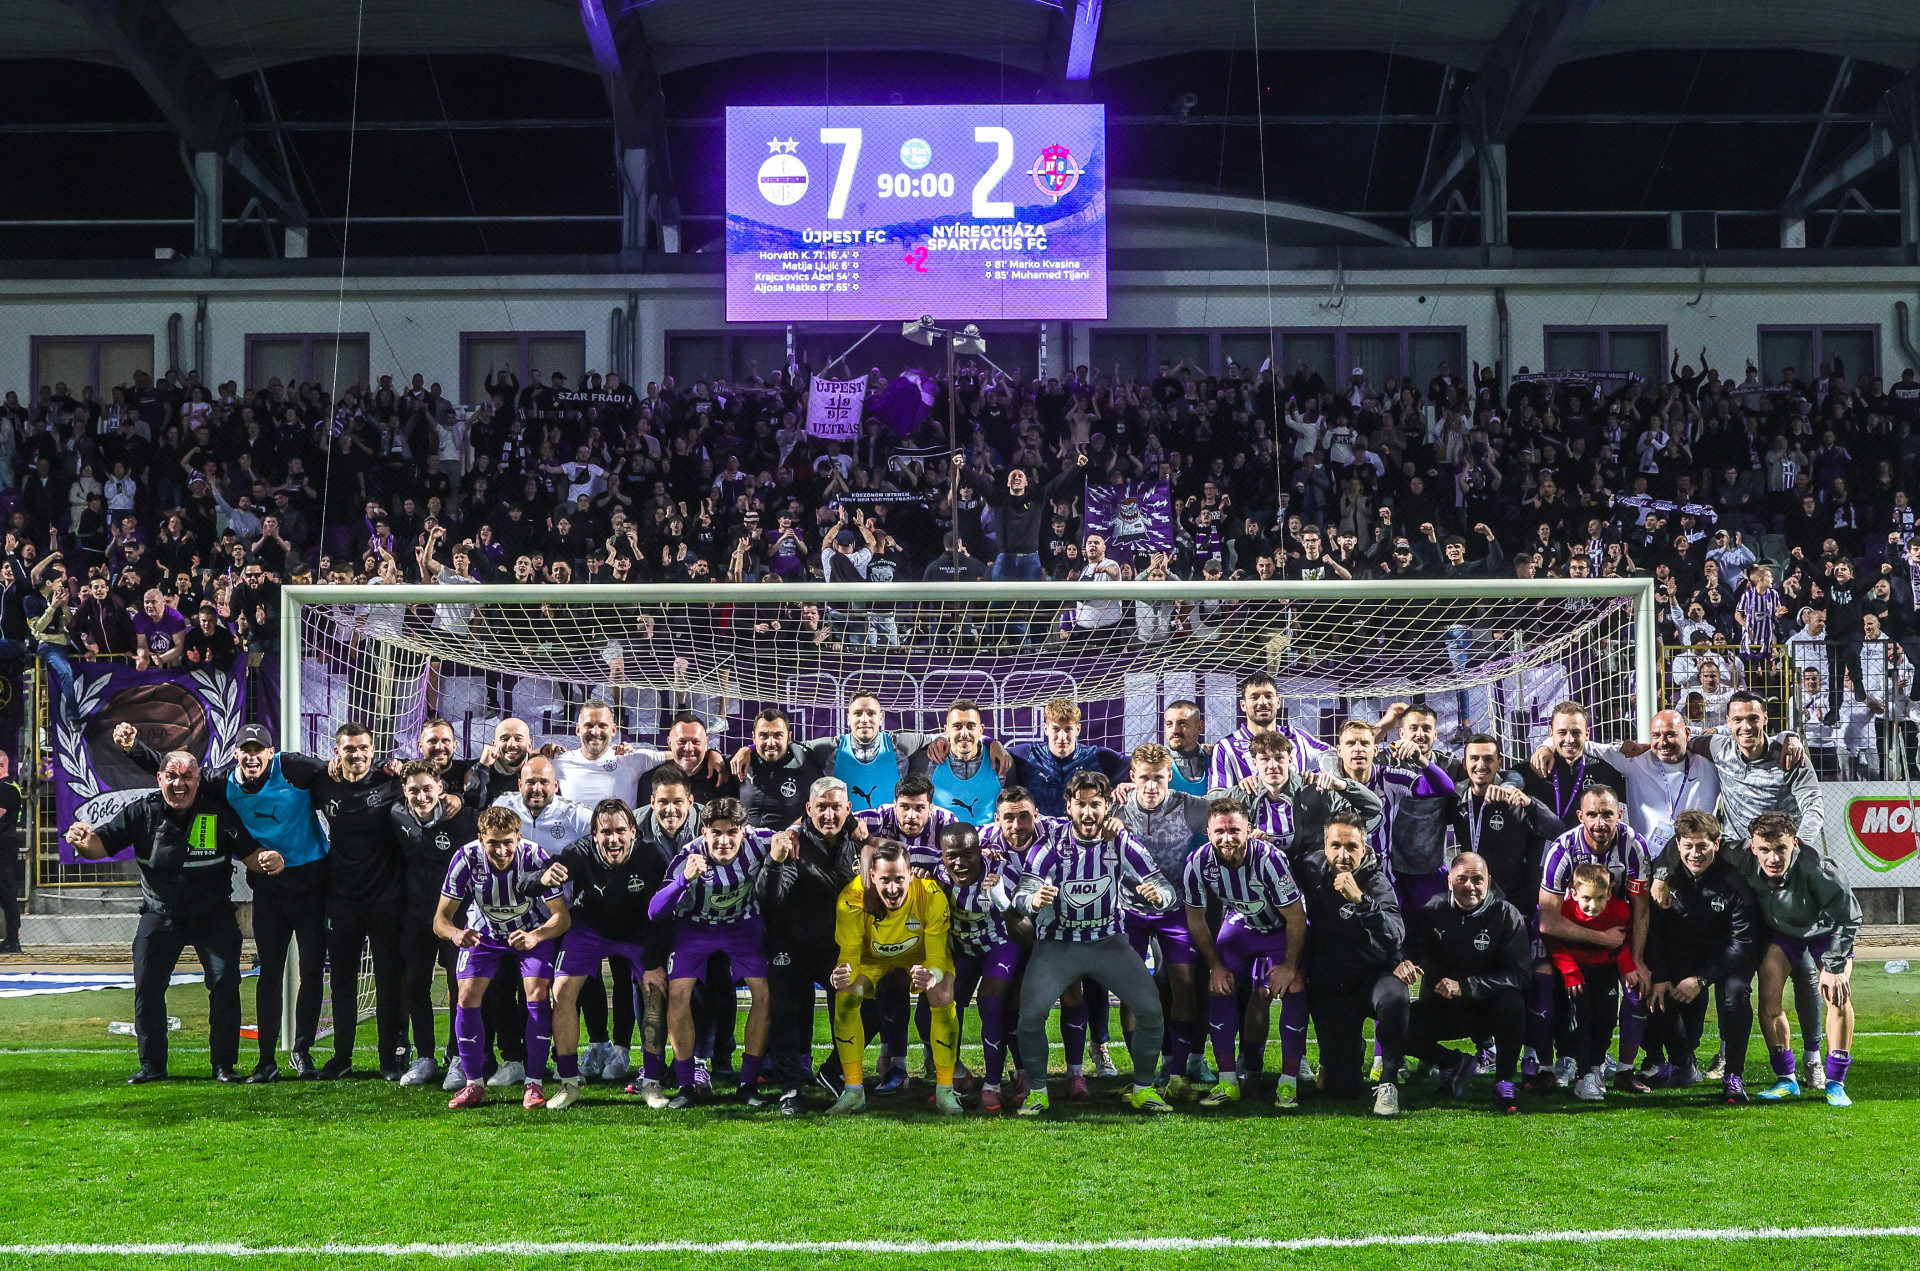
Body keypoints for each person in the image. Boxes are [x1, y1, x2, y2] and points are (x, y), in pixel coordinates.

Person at [113, 721, 332, 1083]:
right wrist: (134, 747)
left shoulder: (293, 767)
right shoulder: (222, 780)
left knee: (311, 971)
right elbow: (175, 772)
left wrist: (383, 769)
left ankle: (302, 1052)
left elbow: (336, 771)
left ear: (271, 752)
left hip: (312, 885)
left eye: (258, 750)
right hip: (268, 890)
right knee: (270, 972)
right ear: (235, 753)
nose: (252, 757)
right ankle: (266, 1062)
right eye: (245, 750)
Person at [64, 750, 283, 1083]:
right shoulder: (141, 812)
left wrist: (270, 860)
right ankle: (153, 1066)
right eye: (172, 776)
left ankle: (224, 1067)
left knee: (225, 986)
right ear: (159, 778)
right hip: (160, 915)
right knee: (148, 987)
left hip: (214, 917)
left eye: (187, 777)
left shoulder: (218, 812)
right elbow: (99, 847)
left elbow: (252, 855)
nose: (179, 784)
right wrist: (82, 842)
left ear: (198, 780)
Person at [1011, 771, 1179, 1116]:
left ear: (1107, 807)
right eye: (1081, 804)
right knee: (1031, 1015)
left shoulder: (1120, 841)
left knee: (1150, 1010)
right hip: (1057, 944)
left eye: (1096, 805)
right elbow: (1022, 893)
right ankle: (1038, 1091)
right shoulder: (1052, 843)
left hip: (1108, 942)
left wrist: (1160, 896)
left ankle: (1142, 1089)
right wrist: (1034, 900)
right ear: (1069, 807)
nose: (1088, 813)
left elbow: (1163, 884)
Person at [648, 797, 788, 1108]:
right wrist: (683, 879)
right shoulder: (689, 855)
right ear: (704, 832)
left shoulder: (760, 842)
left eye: (732, 832)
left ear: (744, 831)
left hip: (743, 925)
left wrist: (790, 840)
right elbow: (654, 910)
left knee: (764, 995)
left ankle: (748, 1084)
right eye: (716, 833)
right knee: (678, 995)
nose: (724, 841)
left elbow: (792, 834)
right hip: (694, 927)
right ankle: (686, 1085)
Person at [538, 798, 671, 1111]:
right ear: (594, 835)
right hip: (590, 929)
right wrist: (541, 878)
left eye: (620, 831)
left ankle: (652, 1081)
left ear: (633, 831)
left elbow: (663, 913)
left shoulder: (652, 855)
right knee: (561, 991)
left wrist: (653, 963)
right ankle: (568, 1083)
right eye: (606, 832)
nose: (613, 839)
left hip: (638, 931)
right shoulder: (577, 853)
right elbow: (534, 880)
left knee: (654, 991)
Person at [436, 805, 571, 1110]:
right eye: (493, 843)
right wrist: (456, 934)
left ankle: (533, 1083)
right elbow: (440, 920)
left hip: (531, 932)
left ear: (518, 838)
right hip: (484, 934)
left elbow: (561, 918)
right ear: (480, 839)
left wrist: (535, 937)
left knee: (537, 993)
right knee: (466, 995)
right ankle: (474, 1084)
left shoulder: (535, 857)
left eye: (507, 842)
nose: (500, 851)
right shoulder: (465, 858)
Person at [1181, 798, 1309, 1109]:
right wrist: (1215, 966)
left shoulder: (1269, 860)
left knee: (1293, 987)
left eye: (1234, 830)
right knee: (1220, 986)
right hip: (1243, 924)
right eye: (1219, 831)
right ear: (1208, 833)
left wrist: (1289, 966)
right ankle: (1228, 1081)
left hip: (1282, 928)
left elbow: (1295, 917)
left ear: (1248, 830)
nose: (1227, 838)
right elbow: (1195, 918)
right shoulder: (1197, 863)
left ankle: (1288, 1083)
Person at [1731, 811, 1862, 1107]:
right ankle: (1786, 1078)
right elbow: (1695, 839)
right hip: (1782, 933)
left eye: (1781, 848)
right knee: (1769, 999)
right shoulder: (1739, 855)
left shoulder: (1819, 869)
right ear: (1753, 847)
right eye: (1765, 849)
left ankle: (1836, 1082)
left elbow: (1849, 918)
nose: (1773, 858)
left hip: (1827, 930)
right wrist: (1661, 876)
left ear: (1795, 843)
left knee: (1837, 996)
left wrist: (1835, 968)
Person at [757, 777, 869, 1115]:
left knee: (870, 1004)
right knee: (784, 1008)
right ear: (808, 809)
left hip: (837, 949)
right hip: (791, 943)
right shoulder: (793, 843)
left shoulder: (861, 843)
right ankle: (790, 1087)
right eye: (821, 807)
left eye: (836, 807)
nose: (829, 815)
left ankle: (834, 1070)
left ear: (848, 809)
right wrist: (775, 862)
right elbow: (770, 898)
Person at [825, 839, 962, 1116]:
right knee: (846, 997)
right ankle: (853, 1092)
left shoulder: (931, 895)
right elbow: (849, 957)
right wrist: (839, 976)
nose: (892, 888)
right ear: (872, 876)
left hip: (920, 957)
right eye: (885, 880)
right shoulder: (851, 899)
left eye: (899, 879)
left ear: (910, 875)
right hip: (872, 958)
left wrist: (932, 976)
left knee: (942, 993)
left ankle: (946, 1091)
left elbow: (937, 957)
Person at [307, 723, 409, 1081]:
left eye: (363, 748)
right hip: (342, 899)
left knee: (389, 982)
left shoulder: (391, 781)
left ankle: (389, 1058)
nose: (357, 754)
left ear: (373, 750)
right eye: (349, 748)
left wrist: (399, 766)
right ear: (337, 752)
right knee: (342, 983)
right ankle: (342, 1057)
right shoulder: (323, 783)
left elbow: (429, 779)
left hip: (386, 898)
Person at [1537, 786, 1653, 1091]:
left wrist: (1636, 960)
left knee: (1636, 990)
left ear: (1620, 814)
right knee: (1543, 984)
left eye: (1607, 814)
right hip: (1567, 940)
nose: (1600, 822)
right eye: (1592, 814)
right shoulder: (1561, 850)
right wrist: (1602, 939)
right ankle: (1548, 1065)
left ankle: (1624, 1071)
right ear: (1580, 816)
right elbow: (1548, 922)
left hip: (1617, 934)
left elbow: (1640, 910)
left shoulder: (1634, 846)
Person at [1644, 809, 1762, 1104]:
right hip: (1686, 954)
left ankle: (1733, 1075)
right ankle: (1682, 1063)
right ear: (1678, 844)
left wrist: (1702, 979)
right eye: (1688, 846)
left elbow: (1743, 943)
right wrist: (1661, 975)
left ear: (1716, 845)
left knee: (1735, 995)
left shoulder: (1734, 882)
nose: (1695, 854)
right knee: (1657, 990)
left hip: (1728, 957)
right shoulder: (1666, 880)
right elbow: (1654, 931)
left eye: (1702, 846)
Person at [1399, 852, 1532, 1114]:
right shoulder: (1433, 910)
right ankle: (1453, 1062)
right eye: (1461, 879)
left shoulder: (1506, 914)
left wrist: (1467, 987)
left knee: (1513, 1002)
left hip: (1489, 1009)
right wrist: (1405, 962)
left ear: (1489, 881)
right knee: (1392, 1026)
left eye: (1477, 879)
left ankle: (1504, 1081)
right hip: (1446, 1007)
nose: (1469, 886)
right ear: (1449, 881)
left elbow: (1520, 975)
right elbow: (1412, 948)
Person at [1296, 811, 1407, 1116]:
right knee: (1342, 1090)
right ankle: (1348, 1051)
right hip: (1333, 984)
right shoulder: (1309, 868)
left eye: (1351, 847)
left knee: (1395, 999)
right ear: (1325, 846)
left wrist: (1362, 901)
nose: (1343, 855)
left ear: (1364, 849)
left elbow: (1396, 934)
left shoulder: (1376, 882)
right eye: (1336, 846)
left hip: (1374, 977)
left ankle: (1388, 1081)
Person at [389, 760, 478, 1088]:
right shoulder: (396, 815)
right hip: (417, 916)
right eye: (414, 790)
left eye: (428, 788)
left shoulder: (465, 818)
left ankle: (457, 1058)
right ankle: (425, 1057)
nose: (421, 795)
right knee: (415, 984)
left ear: (441, 788)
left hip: (458, 920)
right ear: (404, 791)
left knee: (459, 987)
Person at [934, 820, 1027, 1113]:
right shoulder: (936, 875)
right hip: (961, 952)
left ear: (980, 852)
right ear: (942, 855)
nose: (959, 863)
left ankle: (993, 1086)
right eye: (952, 856)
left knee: (991, 1001)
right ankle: (955, 1075)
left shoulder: (1003, 874)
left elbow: (1026, 929)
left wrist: (1002, 900)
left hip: (999, 947)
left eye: (967, 855)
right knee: (932, 1011)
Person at [1545, 863, 1640, 1102]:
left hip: (1605, 972)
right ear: (1574, 893)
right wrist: (1570, 972)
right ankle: (1584, 1075)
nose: (1593, 905)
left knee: (1606, 1021)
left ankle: (1596, 1067)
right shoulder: (1564, 911)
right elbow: (1555, 942)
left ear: (1609, 893)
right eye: (1586, 898)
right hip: (1577, 975)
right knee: (1581, 1020)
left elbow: (1625, 941)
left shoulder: (1620, 910)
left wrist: (1627, 967)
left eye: (1599, 898)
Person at [1007, 697, 1128, 817]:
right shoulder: (1027, 755)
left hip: (1083, 826)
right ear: (1045, 729)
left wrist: (1131, 785)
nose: (1062, 737)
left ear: (1078, 729)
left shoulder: (1098, 757)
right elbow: (995, 757)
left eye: (1068, 729)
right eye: (1056, 729)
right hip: (1039, 827)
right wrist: (996, 745)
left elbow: (1138, 766)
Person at [1210, 672, 1328, 788]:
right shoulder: (1226, 747)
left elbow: (1334, 756)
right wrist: (1240, 791)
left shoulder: (1296, 736)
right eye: (1254, 697)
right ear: (1243, 705)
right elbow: (1217, 795)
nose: (1262, 702)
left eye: (1268, 696)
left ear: (1278, 702)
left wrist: (1317, 776)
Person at [911, 699, 1003, 827]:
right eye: (957, 726)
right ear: (946, 730)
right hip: (942, 838)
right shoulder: (926, 762)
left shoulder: (1000, 761)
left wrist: (993, 742)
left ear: (981, 730)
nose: (964, 733)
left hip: (987, 839)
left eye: (971, 726)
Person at [738, 707, 832, 831]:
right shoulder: (741, 763)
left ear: (789, 737)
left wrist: (795, 830)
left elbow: (818, 811)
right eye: (763, 736)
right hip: (747, 840)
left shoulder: (807, 763)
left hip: (789, 840)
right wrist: (714, 753)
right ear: (754, 738)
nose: (771, 743)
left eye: (778, 735)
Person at [1161, 699, 1213, 796]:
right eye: (1169, 724)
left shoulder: (1215, 759)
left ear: (1199, 727)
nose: (1175, 730)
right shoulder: (1157, 764)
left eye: (1182, 723)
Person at [0, 749, 20, 953]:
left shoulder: (6, 788)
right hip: (5, 844)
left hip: (4, 846)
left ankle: (13, 940)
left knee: (6, 892)